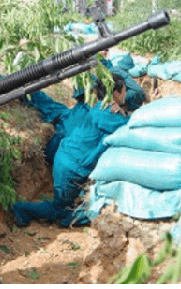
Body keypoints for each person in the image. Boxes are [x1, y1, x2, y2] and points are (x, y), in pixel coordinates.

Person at [11, 74, 129, 228]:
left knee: (71, 205)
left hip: (67, 159)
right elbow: (132, 126)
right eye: (125, 90)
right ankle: (22, 209)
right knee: (62, 210)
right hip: (71, 168)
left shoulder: (99, 107)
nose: (127, 94)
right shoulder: (109, 115)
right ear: (116, 93)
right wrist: (124, 113)